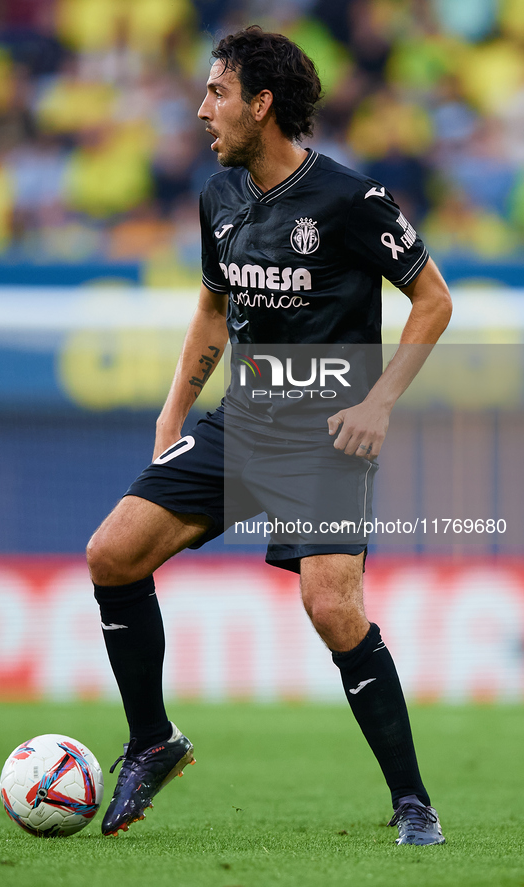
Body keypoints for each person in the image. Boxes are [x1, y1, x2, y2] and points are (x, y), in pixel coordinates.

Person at [86, 26, 452, 845]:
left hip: (327, 429)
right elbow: (214, 305)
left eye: (216, 92)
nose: (200, 109)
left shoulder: (352, 201)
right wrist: (173, 411)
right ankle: (153, 742)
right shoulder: (218, 195)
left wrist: (381, 400)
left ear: (261, 104)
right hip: (244, 416)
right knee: (111, 553)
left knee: (330, 604)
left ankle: (412, 801)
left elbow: (433, 300)